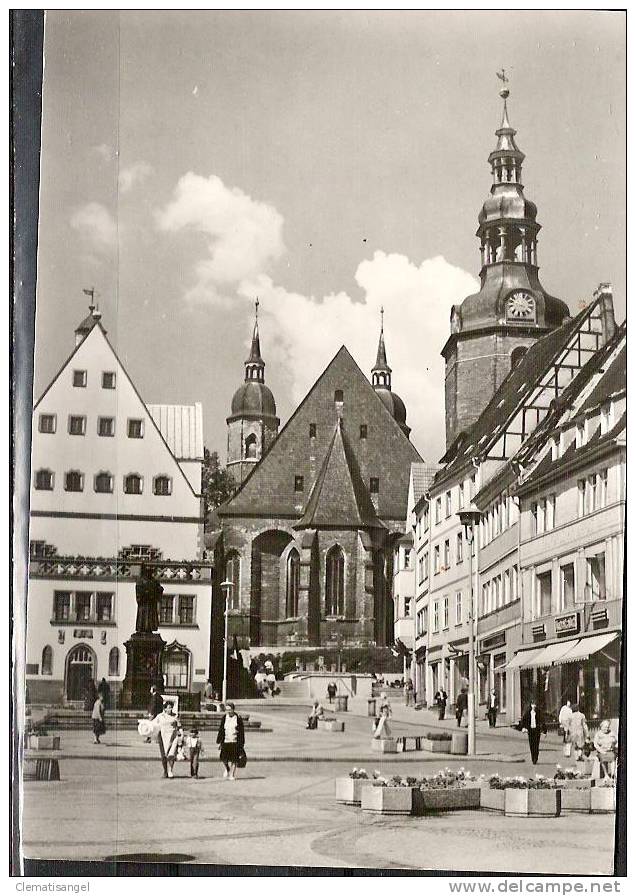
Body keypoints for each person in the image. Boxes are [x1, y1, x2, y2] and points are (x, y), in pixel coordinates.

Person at [216, 701, 245, 780]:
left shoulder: (238, 718)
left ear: (233, 709)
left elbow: (241, 731)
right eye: (227, 709)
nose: (228, 711)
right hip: (226, 740)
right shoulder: (224, 717)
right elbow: (221, 729)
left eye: (230, 709)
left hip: (235, 741)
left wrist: (241, 743)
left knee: (234, 759)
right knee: (223, 758)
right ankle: (227, 768)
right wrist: (219, 741)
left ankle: (232, 774)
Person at [155, 699, 179, 778]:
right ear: (165, 708)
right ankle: (165, 771)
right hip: (162, 737)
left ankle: (170, 770)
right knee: (164, 755)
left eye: (171, 707)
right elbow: (153, 724)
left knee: (171, 754)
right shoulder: (160, 716)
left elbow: (179, 726)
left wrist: (181, 736)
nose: (170, 709)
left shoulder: (175, 716)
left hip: (173, 737)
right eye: (168, 708)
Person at [520, 700, 547, 765]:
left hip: (537, 730)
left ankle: (536, 758)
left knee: (536, 744)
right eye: (533, 704)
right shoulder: (528, 713)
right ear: (531, 705)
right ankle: (533, 758)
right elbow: (524, 720)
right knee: (531, 744)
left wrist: (544, 731)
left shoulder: (538, 712)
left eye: (535, 704)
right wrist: (524, 728)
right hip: (530, 730)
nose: (534, 706)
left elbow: (542, 721)